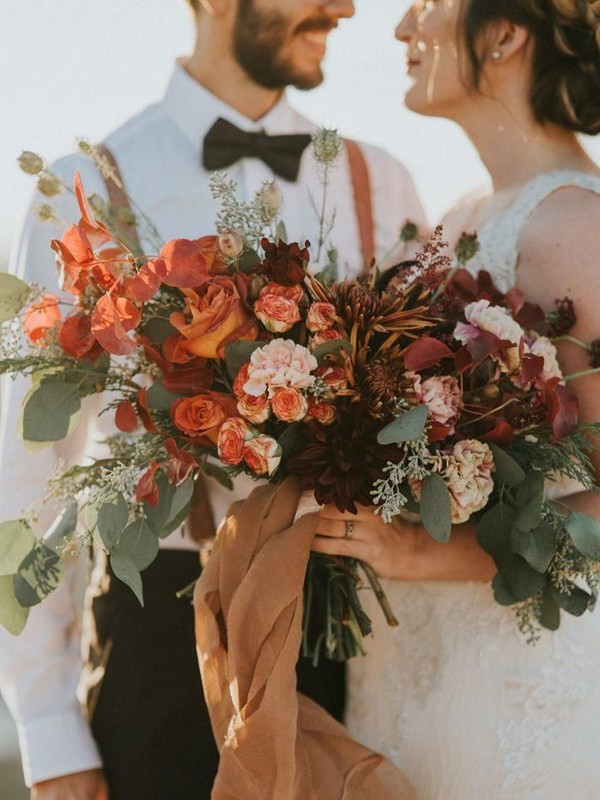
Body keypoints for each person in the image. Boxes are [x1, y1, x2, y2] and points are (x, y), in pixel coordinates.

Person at [0, 1, 425, 799]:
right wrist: (51, 735)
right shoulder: (86, 188)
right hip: (160, 647)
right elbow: (28, 480)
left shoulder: (381, 182)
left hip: (358, 645)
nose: (344, 7)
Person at [313, 0, 600, 797]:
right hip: (410, 679)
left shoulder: (579, 229)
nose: (404, 29)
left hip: (523, 692)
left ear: (506, 33)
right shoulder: (457, 221)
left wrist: (427, 554)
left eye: (429, 5)